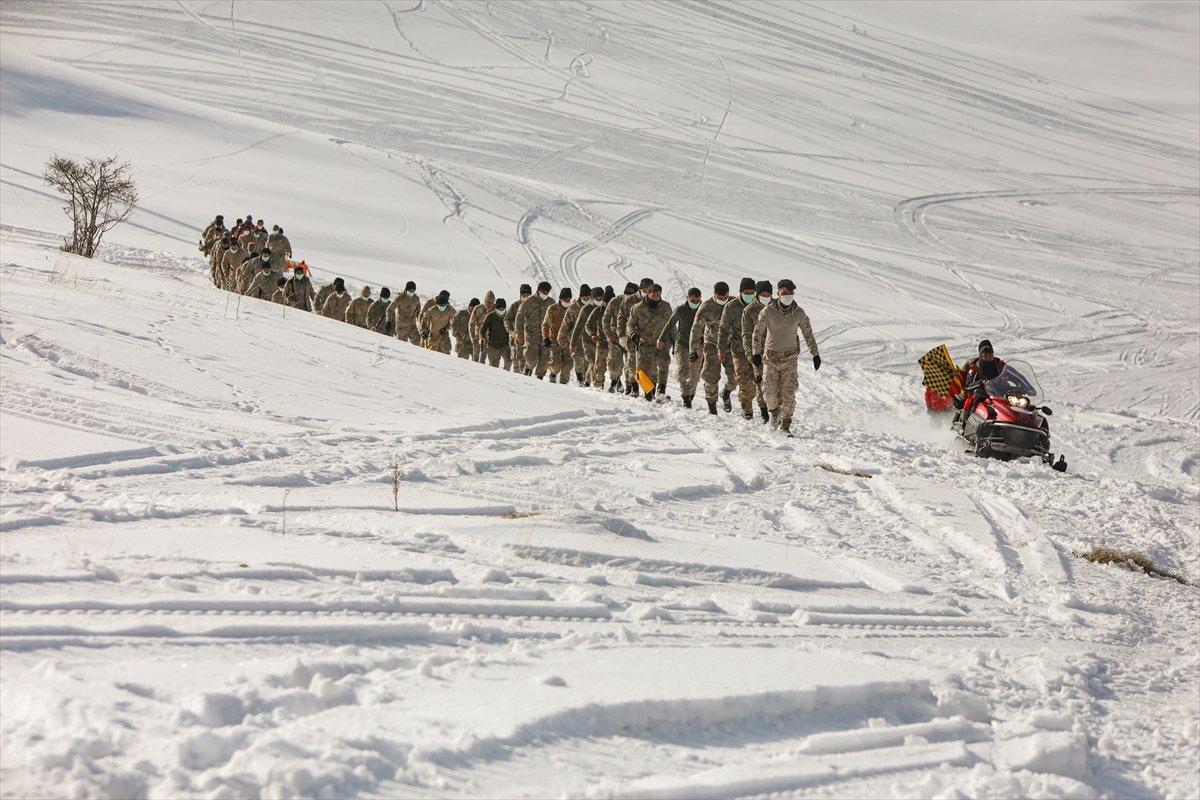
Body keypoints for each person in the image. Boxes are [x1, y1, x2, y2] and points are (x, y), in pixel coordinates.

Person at [751, 278, 820, 436]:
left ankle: (785, 425)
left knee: (789, 394)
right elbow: (757, 332)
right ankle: (774, 412)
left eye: (790, 293)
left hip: (790, 358)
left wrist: (815, 354)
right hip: (771, 358)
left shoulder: (799, 313)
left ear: (793, 294)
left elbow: (808, 334)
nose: (787, 295)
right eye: (784, 293)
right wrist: (756, 352)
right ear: (778, 294)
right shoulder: (768, 311)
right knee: (769, 392)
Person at [689, 281, 736, 415]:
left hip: (729, 345)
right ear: (714, 294)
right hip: (712, 344)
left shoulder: (733, 303)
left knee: (735, 378)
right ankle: (712, 405)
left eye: (725, 297)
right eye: (719, 297)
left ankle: (726, 392)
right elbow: (696, 329)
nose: (722, 300)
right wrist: (693, 349)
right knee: (711, 377)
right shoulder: (706, 307)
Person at [721, 277, 760, 420]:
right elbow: (723, 329)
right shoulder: (731, 307)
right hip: (739, 351)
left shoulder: (760, 306)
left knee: (756, 383)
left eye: (752, 292)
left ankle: (749, 403)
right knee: (743, 382)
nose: (749, 294)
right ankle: (747, 411)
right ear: (740, 292)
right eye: (746, 291)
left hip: (757, 352)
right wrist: (721, 349)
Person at [627, 283, 672, 401]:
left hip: (662, 342)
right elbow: (630, 325)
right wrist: (632, 335)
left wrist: (674, 341)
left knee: (664, 365)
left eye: (658, 295)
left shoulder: (666, 307)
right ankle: (649, 391)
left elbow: (671, 326)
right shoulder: (638, 307)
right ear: (648, 293)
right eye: (654, 295)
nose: (656, 297)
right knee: (647, 369)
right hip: (645, 343)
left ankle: (661, 391)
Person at [658, 287, 702, 407]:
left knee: (695, 373)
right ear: (687, 298)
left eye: (697, 301)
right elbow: (670, 324)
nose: (695, 303)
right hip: (682, 344)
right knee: (683, 370)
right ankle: (685, 397)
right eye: (692, 300)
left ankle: (691, 394)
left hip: (698, 346)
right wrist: (661, 338)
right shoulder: (680, 309)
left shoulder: (704, 309)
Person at [741, 281, 773, 423]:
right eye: (762, 294)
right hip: (757, 353)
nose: (765, 297)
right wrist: (751, 355)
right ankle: (764, 413)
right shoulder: (749, 311)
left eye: (768, 294)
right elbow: (746, 335)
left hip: (775, 351)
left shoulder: (777, 307)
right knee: (761, 383)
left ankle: (775, 411)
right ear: (757, 294)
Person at [602, 282, 637, 392]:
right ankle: (615, 380)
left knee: (630, 365)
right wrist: (608, 335)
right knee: (613, 363)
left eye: (631, 294)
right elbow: (605, 319)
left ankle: (629, 387)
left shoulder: (638, 303)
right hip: (615, 338)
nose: (628, 295)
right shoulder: (615, 301)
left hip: (631, 339)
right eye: (626, 293)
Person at [956, 340, 1006, 416]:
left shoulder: (999, 364)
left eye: (990, 356)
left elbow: (1015, 375)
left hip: (999, 393)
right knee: (976, 398)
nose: (988, 358)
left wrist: (1027, 387)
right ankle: (966, 422)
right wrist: (981, 383)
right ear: (980, 355)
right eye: (985, 356)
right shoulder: (975, 368)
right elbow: (968, 386)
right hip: (982, 395)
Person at [515, 281, 554, 378]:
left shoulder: (551, 302)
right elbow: (519, 318)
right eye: (544, 292)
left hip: (546, 336)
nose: (545, 294)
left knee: (544, 361)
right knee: (532, 359)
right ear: (538, 291)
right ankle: (528, 368)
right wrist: (518, 333)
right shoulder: (528, 301)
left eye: (547, 293)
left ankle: (539, 378)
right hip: (531, 335)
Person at [569, 286, 603, 386]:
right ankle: (587, 382)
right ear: (592, 298)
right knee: (591, 361)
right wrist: (572, 343)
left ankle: (592, 381)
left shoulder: (605, 307)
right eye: (596, 299)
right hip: (588, 340)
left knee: (599, 363)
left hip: (601, 340)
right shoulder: (586, 309)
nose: (599, 301)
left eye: (601, 299)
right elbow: (578, 326)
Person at [556, 283, 590, 382]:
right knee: (578, 360)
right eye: (585, 297)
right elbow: (565, 323)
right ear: (580, 297)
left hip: (589, 339)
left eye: (588, 297)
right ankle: (580, 378)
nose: (587, 299)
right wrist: (561, 337)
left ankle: (585, 380)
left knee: (587, 362)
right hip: (576, 340)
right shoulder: (573, 307)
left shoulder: (593, 306)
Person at [541, 287, 573, 383]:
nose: (567, 301)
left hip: (568, 341)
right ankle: (553, 374)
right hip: (554, 340)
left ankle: (563, 385)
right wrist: (546, 338)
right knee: (556, 365)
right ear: (561, 298)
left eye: (569, 299)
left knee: (568, 365)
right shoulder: (552, 309)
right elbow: (546, 324)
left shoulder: (572, 309)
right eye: (565, 299)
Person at [505, 284, 532, 373]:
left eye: (528, 294)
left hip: (529, 340)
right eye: (524, 294)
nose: (526, 296)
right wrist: (511, 332)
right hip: (516, 340)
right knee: (517, 364)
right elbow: (507, 319)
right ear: (520, 295)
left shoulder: (534, 306)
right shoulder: (515, 306)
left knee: (528, 364)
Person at [480, 298, 511, 368]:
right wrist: (482, 337)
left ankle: (506, 376)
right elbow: (483, 328)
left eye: (502, 308)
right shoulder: (490, 316)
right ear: (496, 308)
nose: (501, 310)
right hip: (493, 345)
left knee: (509, 361)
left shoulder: (508, 316)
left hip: (505, 345)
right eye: (499, 308)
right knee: (493, 366)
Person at [468, 292, 494, 362]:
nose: (489, 304)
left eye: (491, 302)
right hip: (478, 337)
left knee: (484, 359)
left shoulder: (494, 309)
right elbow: (471, 324)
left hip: (489, 338)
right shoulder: (478, 308)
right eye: (488, 302)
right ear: (485, 301)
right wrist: (473, 338)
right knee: (476, 359)